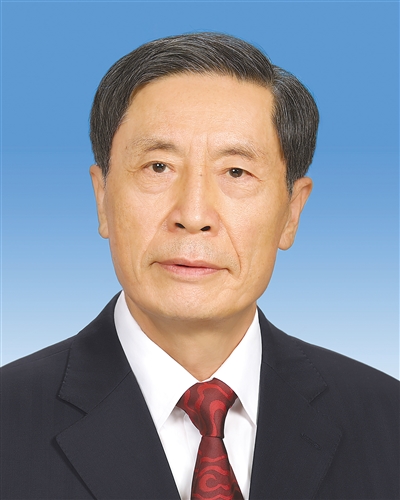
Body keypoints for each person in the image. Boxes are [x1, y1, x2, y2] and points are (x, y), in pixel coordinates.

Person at [1, 32, 398, 500]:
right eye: (158, 167)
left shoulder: (387, 420)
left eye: (236, 172)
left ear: (292, 212)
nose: (192, 215)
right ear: (102, 197)